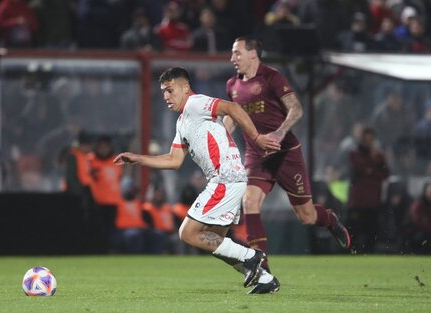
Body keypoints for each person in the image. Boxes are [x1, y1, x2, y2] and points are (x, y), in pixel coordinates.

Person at [114, 67, 281, 294]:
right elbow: (174, 160)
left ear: (185, 88)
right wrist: (137, 159)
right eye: (163, 91)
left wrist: (257, 138)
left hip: (225, 178)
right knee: (214, 241)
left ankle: (252, 256)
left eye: (170, 90)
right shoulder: (183, 121)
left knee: (187, 233)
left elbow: (231, 107)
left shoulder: (196, 103)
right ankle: (265, 279)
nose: (165, 96)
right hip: (228, 179)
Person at [224, 37, 351, 277]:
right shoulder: (232, 85)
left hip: (285, 153)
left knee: (306, 216)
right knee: (249, 201)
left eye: (237, 53)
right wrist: (221, 135)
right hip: (256, 155)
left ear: (253, 54)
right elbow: (233, 116)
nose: (233, 59)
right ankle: (260, 265)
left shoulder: (272, 77)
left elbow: (296, 108)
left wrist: (280, 133)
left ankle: (330, 219)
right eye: (232, 54)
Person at [347, 127, 389, 253]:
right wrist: (374, 166)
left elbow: (385, 173)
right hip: (358, 199)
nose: (369, 142)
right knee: (356, 228)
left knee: (371, 229)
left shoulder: (379, 156)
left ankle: (370, 252)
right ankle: (352, 251)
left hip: (373, 199)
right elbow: (359, 168)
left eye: (371, 139)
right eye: (367, 139)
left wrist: (373, 167)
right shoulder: (355, 154)